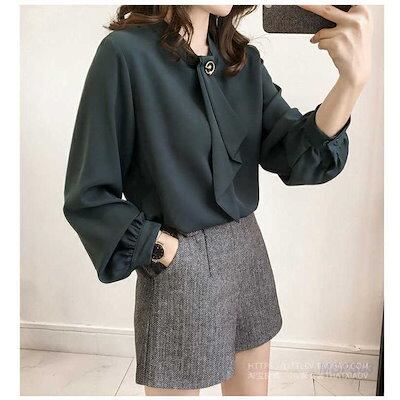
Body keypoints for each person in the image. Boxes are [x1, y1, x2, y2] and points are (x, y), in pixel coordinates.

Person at [63, 5, 372, 396]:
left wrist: (351, 83)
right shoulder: (124, 54)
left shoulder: (242, 62)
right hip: (179, 267)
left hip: (249, 260)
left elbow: (295, 155)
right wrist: (163, 250)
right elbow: (89, 194)